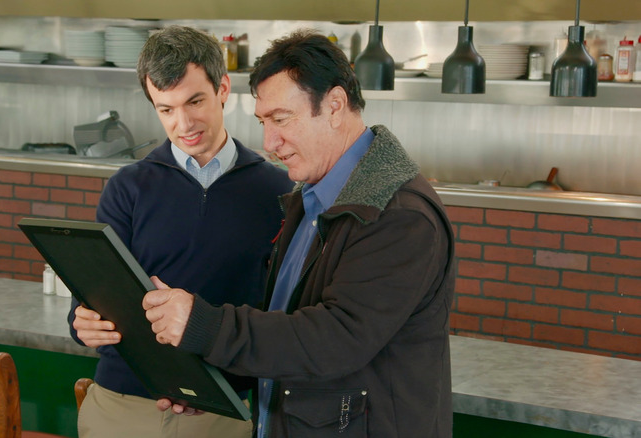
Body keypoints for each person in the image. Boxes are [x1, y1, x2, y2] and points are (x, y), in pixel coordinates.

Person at [143, 30, 455, 438]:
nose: (269, 142)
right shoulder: (309, 200)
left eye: (281, 119)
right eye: (263, 122)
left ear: (335, 105)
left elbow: (335, 339)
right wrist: (210, 381)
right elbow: (286, 331)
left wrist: (203, 326)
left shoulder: (400, 215)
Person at [68, 25, 293, 438]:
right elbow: (92, 296)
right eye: (166, 109)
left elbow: (281, 316)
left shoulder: (279, 192)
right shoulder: (127, 186)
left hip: (222, 410)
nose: (183, 123)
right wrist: (82, 321)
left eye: (195, 101)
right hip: (121, 405)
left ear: (223, 88)